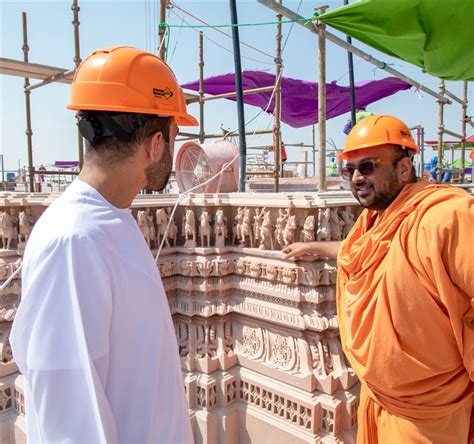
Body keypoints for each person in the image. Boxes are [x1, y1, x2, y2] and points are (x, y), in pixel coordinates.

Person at [10, 46, 198, 443]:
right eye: (174, 133)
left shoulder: (109, 222)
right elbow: (71, 421)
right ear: (155, 144)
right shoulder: (75, 240)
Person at [283, 115, 473, 443]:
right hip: (376, 403)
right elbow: (361, 251)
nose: (356, 178)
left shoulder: (446, 217)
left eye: (368, 166)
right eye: (349, 169)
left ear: (403, 168)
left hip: (431, 417)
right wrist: (312, 246)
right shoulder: (374, 221)